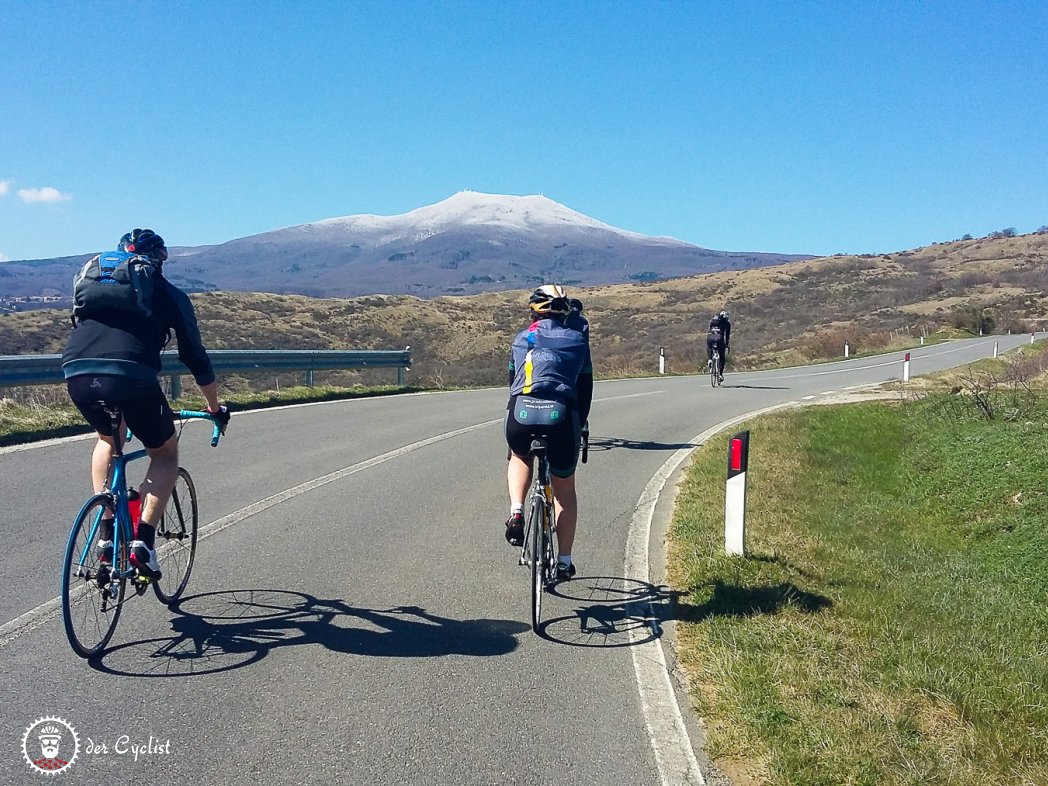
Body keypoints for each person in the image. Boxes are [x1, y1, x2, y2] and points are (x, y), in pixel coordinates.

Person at [63, 228, 229, 578]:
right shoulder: (168, 294)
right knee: (164, 452)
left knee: (108, 439)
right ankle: (144, 545)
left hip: (76, 372)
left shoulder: (95, 288)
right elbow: (195, 357)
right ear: (160, 262)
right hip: (132, 376)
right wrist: (215, 408)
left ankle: (106, 532)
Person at [504, 284, 593, 580]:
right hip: (560, 415)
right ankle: (565, 561)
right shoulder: (578, 340)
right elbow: (585, 389)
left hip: (521, 413)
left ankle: (516, 510)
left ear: (533, 311)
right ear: (564, 312)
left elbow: (512, 381)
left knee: (519, 455)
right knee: (564, 489)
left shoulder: (520, 339)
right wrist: (580, 425)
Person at [706, 310, 731, 381]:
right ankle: (720, 374)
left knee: (709, 347)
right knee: (722, 356)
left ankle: (710, 359)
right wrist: (727, 344)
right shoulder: (727, 323)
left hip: (710, 336)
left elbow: (710, 329)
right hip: (719, 338)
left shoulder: (713, 321)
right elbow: (727, 335)